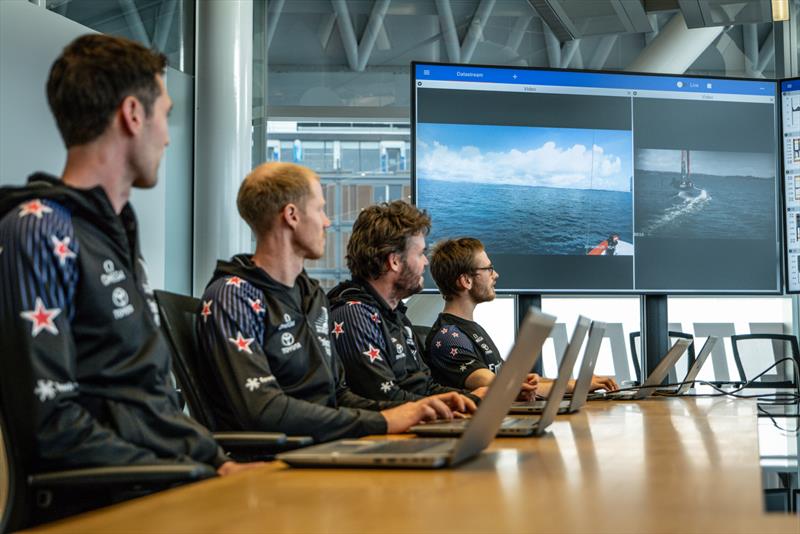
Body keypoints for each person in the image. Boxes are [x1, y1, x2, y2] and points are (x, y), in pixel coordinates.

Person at [0, 34, 254, 476]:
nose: (168, 139)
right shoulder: (40, 228)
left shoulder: (115, 238)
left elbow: (149, 403)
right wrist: (192, 474)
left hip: (170, 477)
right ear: (133, 115)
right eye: (166, 117)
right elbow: (53, 428)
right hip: (120, 497)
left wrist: (216, 462)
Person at [196, 163, 474, 444]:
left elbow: (338, 396)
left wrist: (418, 411)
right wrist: (385, 420)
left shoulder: (312, 296)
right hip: (277, 462)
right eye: (319, 209)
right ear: (291, 216)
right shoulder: (234, 295)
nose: (327, 221)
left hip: (327, 446)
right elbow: (263, 410)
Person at [328, 201, 485, 403]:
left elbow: (424, 388)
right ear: (394, 261)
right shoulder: (354, 314)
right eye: (420, 253)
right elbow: (385, 398)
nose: (426, 262)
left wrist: (472, 398)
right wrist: (466, 401)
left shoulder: (397, 316)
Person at [426, 237, 619, 397]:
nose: (496, 275)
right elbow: (504, 387)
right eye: (489, 269)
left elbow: (518, 380)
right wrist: (576, 387)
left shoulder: (469, 329)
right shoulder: (447, 338)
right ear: (466, 281)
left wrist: (577, 383)